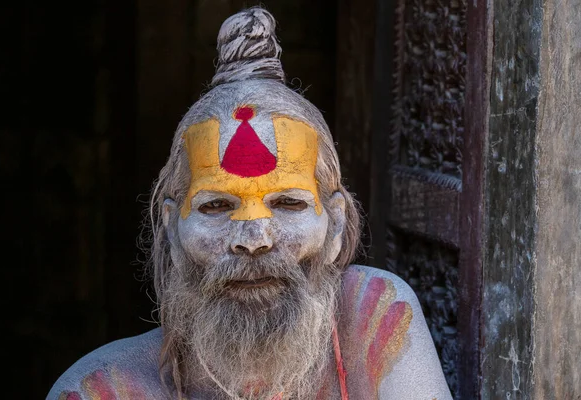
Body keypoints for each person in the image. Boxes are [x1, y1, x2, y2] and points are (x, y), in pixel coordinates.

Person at [47, 7, 453, 400]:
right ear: (171, 229)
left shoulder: (376, 321)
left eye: (289, 203)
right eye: (216, 206)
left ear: (335, 226)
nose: (254, 238)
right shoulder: (101, 390)